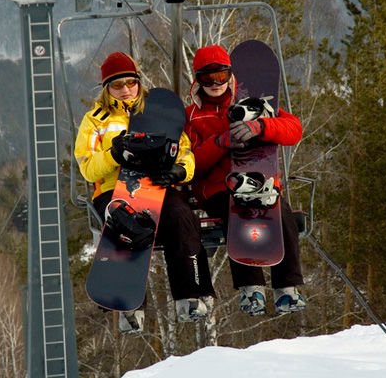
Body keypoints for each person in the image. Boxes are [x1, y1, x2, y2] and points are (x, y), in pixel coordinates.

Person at [74, 51, 215, 333]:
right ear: (106, 88)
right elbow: (88, 167)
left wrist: (179, 172)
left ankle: (190, 295)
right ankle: (129, 307)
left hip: (155, 185)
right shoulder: (95, 120)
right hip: (115, 189)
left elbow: (184, 151)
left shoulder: (158, 113)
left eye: (130, 82)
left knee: (181, 216)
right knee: (127, 224)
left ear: (139, 83)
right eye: (117, 85)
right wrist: (114, 154)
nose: (125, 90)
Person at [184, 44, 307, 316]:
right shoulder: (192, 116)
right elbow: (192, 163)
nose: (216, 84)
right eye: (207, 78)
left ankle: (287, 288)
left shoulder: (251, 104)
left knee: (279, 210)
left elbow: (293, 130)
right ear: (197, 79)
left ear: (230, 76)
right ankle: (251, 289)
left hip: (257, 177)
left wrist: (261, 126)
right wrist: (220, 143)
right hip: (218, 186)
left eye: (221, 76)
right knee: (236, 209)